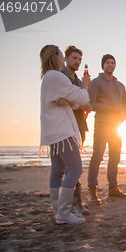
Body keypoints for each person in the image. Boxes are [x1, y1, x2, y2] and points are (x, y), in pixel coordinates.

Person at [39, 44, 90, 225]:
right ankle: (63, 213)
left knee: (58, 171)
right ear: (56, 56)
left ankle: (58, 211)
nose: (62, 57)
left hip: (53, 133)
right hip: (62, 132)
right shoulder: (57, 76)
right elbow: (83, 99)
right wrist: (84, 86)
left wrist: (69, 101)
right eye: (61, 54)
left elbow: (73, 104)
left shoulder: (48, 77)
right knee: (75, 169)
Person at [87, 54, 126, 203]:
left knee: (115, 156)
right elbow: (90, 104)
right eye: (107, 63)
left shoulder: (121, 86)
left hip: (117, 126)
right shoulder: (96, 82)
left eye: (113, 63)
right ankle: (92, 190)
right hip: (102, 124)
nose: (110, 65)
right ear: (103, 65)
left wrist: (125, 114)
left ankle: (113, 188)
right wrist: (110, 108)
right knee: (97, 156)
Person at [61, 45, 92, 216]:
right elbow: (64, 100)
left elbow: (85, 103)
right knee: (71, 166)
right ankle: (73, 204)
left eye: (79, 59)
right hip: (65, 124)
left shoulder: (81, 82)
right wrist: (80, 103)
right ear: (66, 58)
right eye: (74, 58)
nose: (77, 62)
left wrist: (86, 106)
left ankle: (75, 203)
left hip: (80, 124)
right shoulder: (61, 77)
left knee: (75, 163)